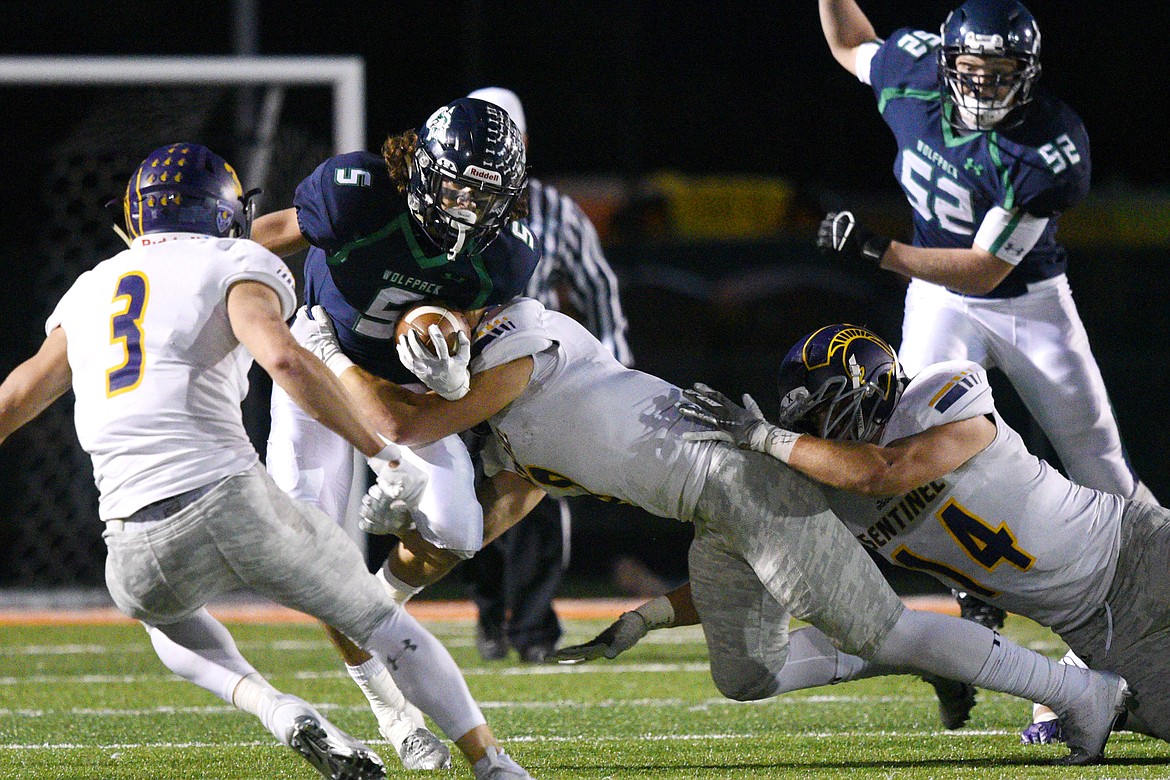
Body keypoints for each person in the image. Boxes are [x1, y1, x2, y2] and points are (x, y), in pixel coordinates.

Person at [306, 296, 1127, 766]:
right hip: (717, 511)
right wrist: (641, 617)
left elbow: (403, 424)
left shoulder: (523, 342)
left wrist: (325, 352)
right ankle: (902, 654)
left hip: (743, 482)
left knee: (894, 626)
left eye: (445, 347)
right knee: (747, 676)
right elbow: (503, 504)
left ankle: (1079, 694)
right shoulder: (514, 432)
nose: (440, 365)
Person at [0, 143, 535, 780]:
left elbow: (16, 394)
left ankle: (278, 710)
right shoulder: (237, 259)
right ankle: (492, 764)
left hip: (130, 537)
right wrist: (383, 454)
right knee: (377, 619)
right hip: (231, 496)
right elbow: (282, 357)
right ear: (224, 211)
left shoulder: (90, 287)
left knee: (167, 626)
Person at [562, 322, 1167, 749]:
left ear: (868, 383)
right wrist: (652, 616)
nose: (816, 429)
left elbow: (887, 472)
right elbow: (758, 569)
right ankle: (1078, 688)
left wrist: (765, 439)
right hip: (1095, 628)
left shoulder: (943, 393)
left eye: (824, 411)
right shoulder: (833, 489)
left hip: (1133, 548)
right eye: (806, 422)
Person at [813, 0, 1159, 739]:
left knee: (1098, 465)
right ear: (946, 64)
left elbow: (983, 267)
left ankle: (1147, 587)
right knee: (918, 445)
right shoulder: (910, 76)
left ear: (1027, 75)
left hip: (1027, 300)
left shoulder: (1048, 144)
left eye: (1002, 74)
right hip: (939, 298)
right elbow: (850, 42)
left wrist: (880, 252)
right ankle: (972, 593)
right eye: (972, 71)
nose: (985, 87)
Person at [250, 96, 539, 769]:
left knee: (460, 530)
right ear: (428, 169)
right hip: (319, 365)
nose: (470, 205)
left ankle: (378, 606)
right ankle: (389, 707)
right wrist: (205, 269)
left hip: (398, 390)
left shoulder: (508, 253)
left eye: (487, 193)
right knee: (311, 551)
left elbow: (469, 314)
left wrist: (451, 353)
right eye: (460, 184)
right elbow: (275, 233)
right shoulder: (359, 197)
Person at [462, 86, 633, 663]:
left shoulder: (553, 211)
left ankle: (532, 629)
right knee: (467, 500)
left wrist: (614, 371)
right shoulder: (441, 202)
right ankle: (491, 617)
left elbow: (597, 288)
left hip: (535, 383)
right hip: (459, 378)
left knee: (542, 498)